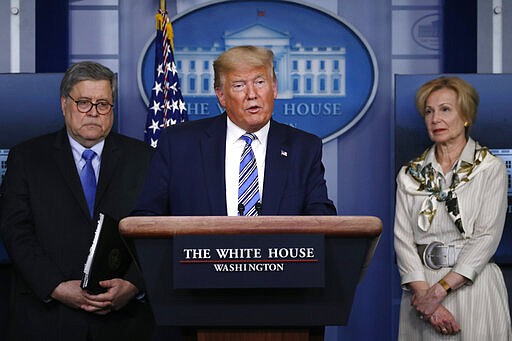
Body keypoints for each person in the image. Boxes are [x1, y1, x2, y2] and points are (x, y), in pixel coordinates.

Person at [0, 61, 154, 340]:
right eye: (83, 102)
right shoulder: (27, 158)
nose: (93, 113)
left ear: (112, 108)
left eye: (103, 104)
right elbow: (15, 231)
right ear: (64, 104)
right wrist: (56, 286)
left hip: (123, 322)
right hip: (46, 319)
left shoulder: (144, 159)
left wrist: (133, 283)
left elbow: (156, 230)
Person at [133, 45, 336, 217]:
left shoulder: (304, 149)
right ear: (221, 96)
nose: (252, 95)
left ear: (274, 88)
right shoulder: (179, 144)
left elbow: (322, 221)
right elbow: (147, 218)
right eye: (239, 85)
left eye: (260, 82)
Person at [394, 76, 512, 340]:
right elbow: (403, 241)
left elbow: (486, 238)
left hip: (473, 286)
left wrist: (438, 293)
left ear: (466, 115)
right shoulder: (409, 174)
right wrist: (425, 299)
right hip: (420, 293)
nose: (435, 119)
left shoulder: (489, 168)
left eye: (445, 109)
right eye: (428, 111)